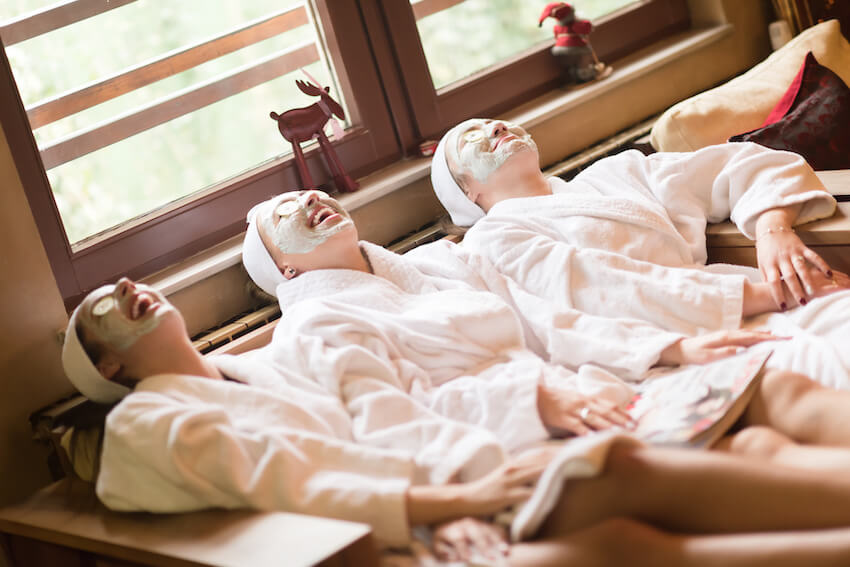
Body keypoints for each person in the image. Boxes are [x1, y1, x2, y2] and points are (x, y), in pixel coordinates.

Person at [59, 276, 850, 565]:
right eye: (100, 308)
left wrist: (457, 477)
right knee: (617, 494)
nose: (124, 286)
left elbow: (382, 425)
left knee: (743, 435)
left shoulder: (263, 367)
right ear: (109, 369)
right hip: (387, 525)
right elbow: (290, 474)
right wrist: (445, 500)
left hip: (447, 478)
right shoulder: (146, 421)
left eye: (123, 281)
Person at [430, 118, 850, 388]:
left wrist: (773, 231)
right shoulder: (493, 239)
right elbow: (602, 288)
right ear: (467, 190)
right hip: (669, 348)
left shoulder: (616, 174)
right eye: (471, 137)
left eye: (497, 122)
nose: (496, 128)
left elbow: (743, 165)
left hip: (754, 292)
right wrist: (770, 293)